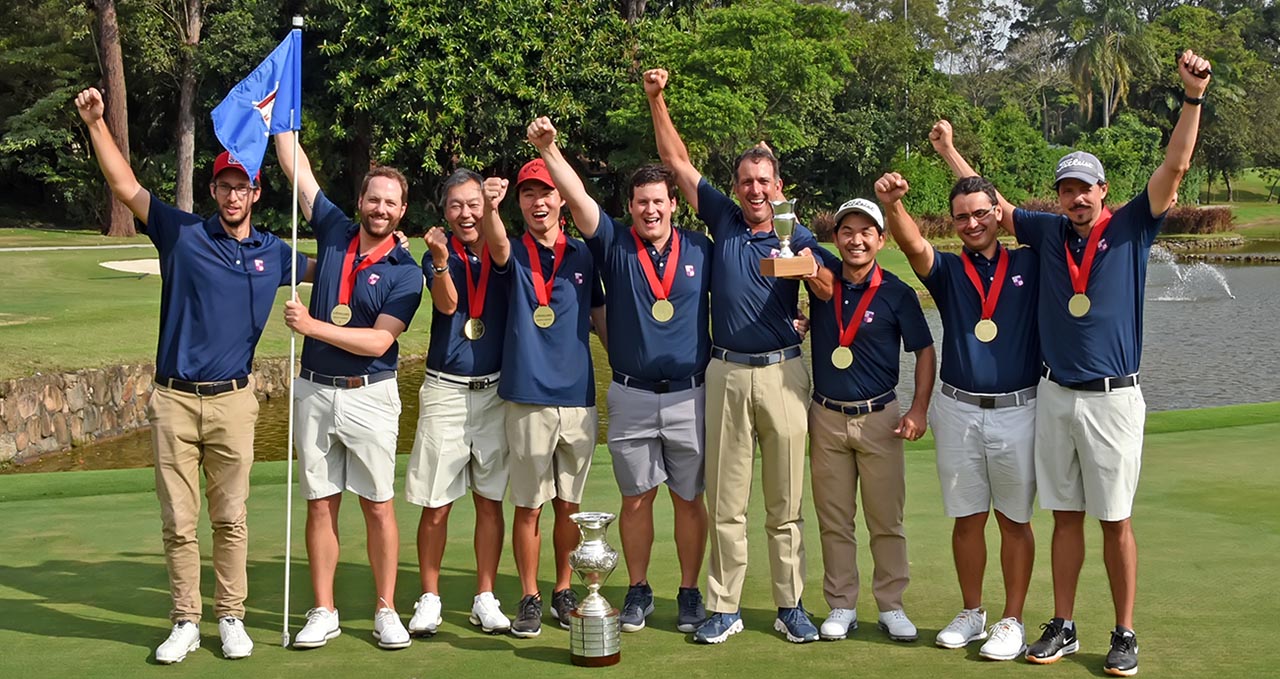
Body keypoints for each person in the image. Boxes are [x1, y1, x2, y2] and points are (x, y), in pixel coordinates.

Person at [929, 50, 1213, 677]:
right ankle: (1062, 623)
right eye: (1066, 190)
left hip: (1114, 396)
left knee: (1115, 520)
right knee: (1064, 517)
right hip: (1055, 395)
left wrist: (1191, 97)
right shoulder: (1049, 233)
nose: (1076, 198)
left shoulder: (1135, 225)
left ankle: (1125, 631)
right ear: (1058, 198)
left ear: (1103, 191)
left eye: (1085, 188)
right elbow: (986, 205)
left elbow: (1176, 164)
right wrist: (950, 153)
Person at [74, 87, 310, 663]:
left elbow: (337, 266)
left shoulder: (275, 252)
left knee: (230, 518)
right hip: (174, 401)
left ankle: (231, 616)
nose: (234, 194)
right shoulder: (181, 233)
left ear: (256, 191)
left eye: (243, 185)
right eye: (225, 184)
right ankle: (185, 619)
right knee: (180, 522)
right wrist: (97, 125)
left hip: (235, 401)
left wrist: (409, 256)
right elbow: (126, 186)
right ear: (213, 189)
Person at [644, 67, 823, 644]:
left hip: (785, 371)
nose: (754, 190)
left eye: (763, 181)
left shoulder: (798, 231)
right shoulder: (722, 218)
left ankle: (790, 605)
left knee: (785, 504)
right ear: (736, 186)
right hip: (724, 372)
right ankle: (724, 607)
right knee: (726, 501)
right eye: (745, 181)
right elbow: (675, 164)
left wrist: (809, 269)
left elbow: (823, 288)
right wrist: (658, 99)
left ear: (778, 184)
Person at [526, 116, 711, 633]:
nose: (650, 209)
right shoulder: (612, 243)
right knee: (636, 498)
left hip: (689, 395)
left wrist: (788, 318)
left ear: (674, 204)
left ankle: (691, 592)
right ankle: (637, 588)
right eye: (641, 201)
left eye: (659, 200)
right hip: (630, 395)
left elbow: (747, 289)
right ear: (630, 207)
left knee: (689, 498)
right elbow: (577, 197)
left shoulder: (701, 249)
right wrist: (551, 148)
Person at [876, 171, 1039, 660]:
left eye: (981, 213)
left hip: (1019, 409)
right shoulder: (947, 271)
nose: (972, 223)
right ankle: (973, 613)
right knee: (967, 519)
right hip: (958, 408)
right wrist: (892, 206)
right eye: (962, 216)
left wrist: (948, 153)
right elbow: (912, 246)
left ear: (997, 214)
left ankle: (1012, 620)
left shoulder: (1030, 265)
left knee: (1014, 520)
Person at [273, 130, 424, 651]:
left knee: (378, 505)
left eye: (390, 202)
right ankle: (324, 610)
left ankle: (385, 608)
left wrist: (311, 327)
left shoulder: (407, 272)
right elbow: (299, 172)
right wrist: (278, 122)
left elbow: (379, 339)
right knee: (320, 503)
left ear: (402, 211)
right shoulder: (335, 228)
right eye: (373, 199)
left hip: (370, 393)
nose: (380, 208)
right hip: (314, 390)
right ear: (360, 201)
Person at [478, 157, 607, 638]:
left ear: (562, 201)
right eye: (529, 194)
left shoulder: (582, 255)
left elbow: (599, 314)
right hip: (528, 396)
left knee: (568, 505)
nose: (539, 201)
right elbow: (494, 243)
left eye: (547, 192)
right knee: (529, 505)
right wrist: (490, 207)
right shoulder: (512, 250)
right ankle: (530, 595)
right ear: (520, 202)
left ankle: (563, 589)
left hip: (578, 397)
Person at [802, 198, 936, 644]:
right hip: (826, 417)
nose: (855, 240)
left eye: (866, 232)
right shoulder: (820, 281)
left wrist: (918, 409)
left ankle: (891, 605)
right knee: (835, 520)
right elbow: (788, 234)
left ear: (881, 239)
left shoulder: (897, 292)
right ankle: (842, 604)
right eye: (846, 231)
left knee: (886, 520)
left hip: (881, 418)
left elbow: (925, 351)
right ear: (835, 238)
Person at [404, 169, 513, 636]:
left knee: (490, 501)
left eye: (474, 204)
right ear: (443, 210)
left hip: (494, 390)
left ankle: (484, 597)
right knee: (437, 503)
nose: (466, 213)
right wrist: (442, 260)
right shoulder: (435, 251)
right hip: (445, 390)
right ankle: (429, 596)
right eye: (457, 206)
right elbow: (447, 306)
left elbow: (504, 251)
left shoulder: (499, 245)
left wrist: (493, 210)